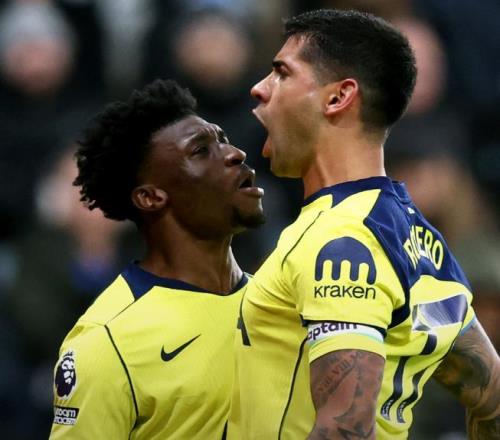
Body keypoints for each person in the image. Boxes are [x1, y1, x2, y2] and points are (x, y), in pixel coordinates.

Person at [228, 9, 500, 440]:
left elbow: (346, 428)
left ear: (338, 97)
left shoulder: (340, 239)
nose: (259, 88)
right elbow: (492, 399)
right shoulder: (417, 236)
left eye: (281, 73)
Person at [49, 79, 265, 439]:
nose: (235, 154)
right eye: (201, 151)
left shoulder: (280, 303)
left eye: (223, 139)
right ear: (150, 197)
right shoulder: (107, 342)